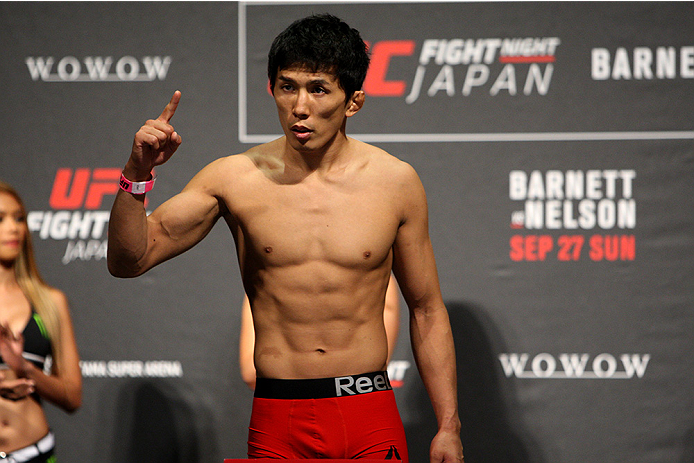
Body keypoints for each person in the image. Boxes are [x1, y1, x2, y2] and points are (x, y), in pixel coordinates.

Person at [107, 13, 463, 462]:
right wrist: (137, 174)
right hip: (279, 419)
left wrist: (448, 425)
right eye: (287, 86)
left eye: (318, 89)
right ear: (271, 88)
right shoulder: (234, 178)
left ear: (353, 102)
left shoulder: (396, 182)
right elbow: (128, 261)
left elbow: (427, 310)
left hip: (368, 413)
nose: (299, 106)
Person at [0, 181, 82, 463]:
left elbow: (72, 397)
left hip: (33, 453)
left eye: (19, 218)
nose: (13, 228)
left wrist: (26, 369)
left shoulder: (50, 301)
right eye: (0, 219)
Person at [239, 274, 401, 390]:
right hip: (286, 408)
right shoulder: (265, 279)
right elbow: (251, 373)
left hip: (354, 408)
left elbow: (370, 369)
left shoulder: (373, 277)